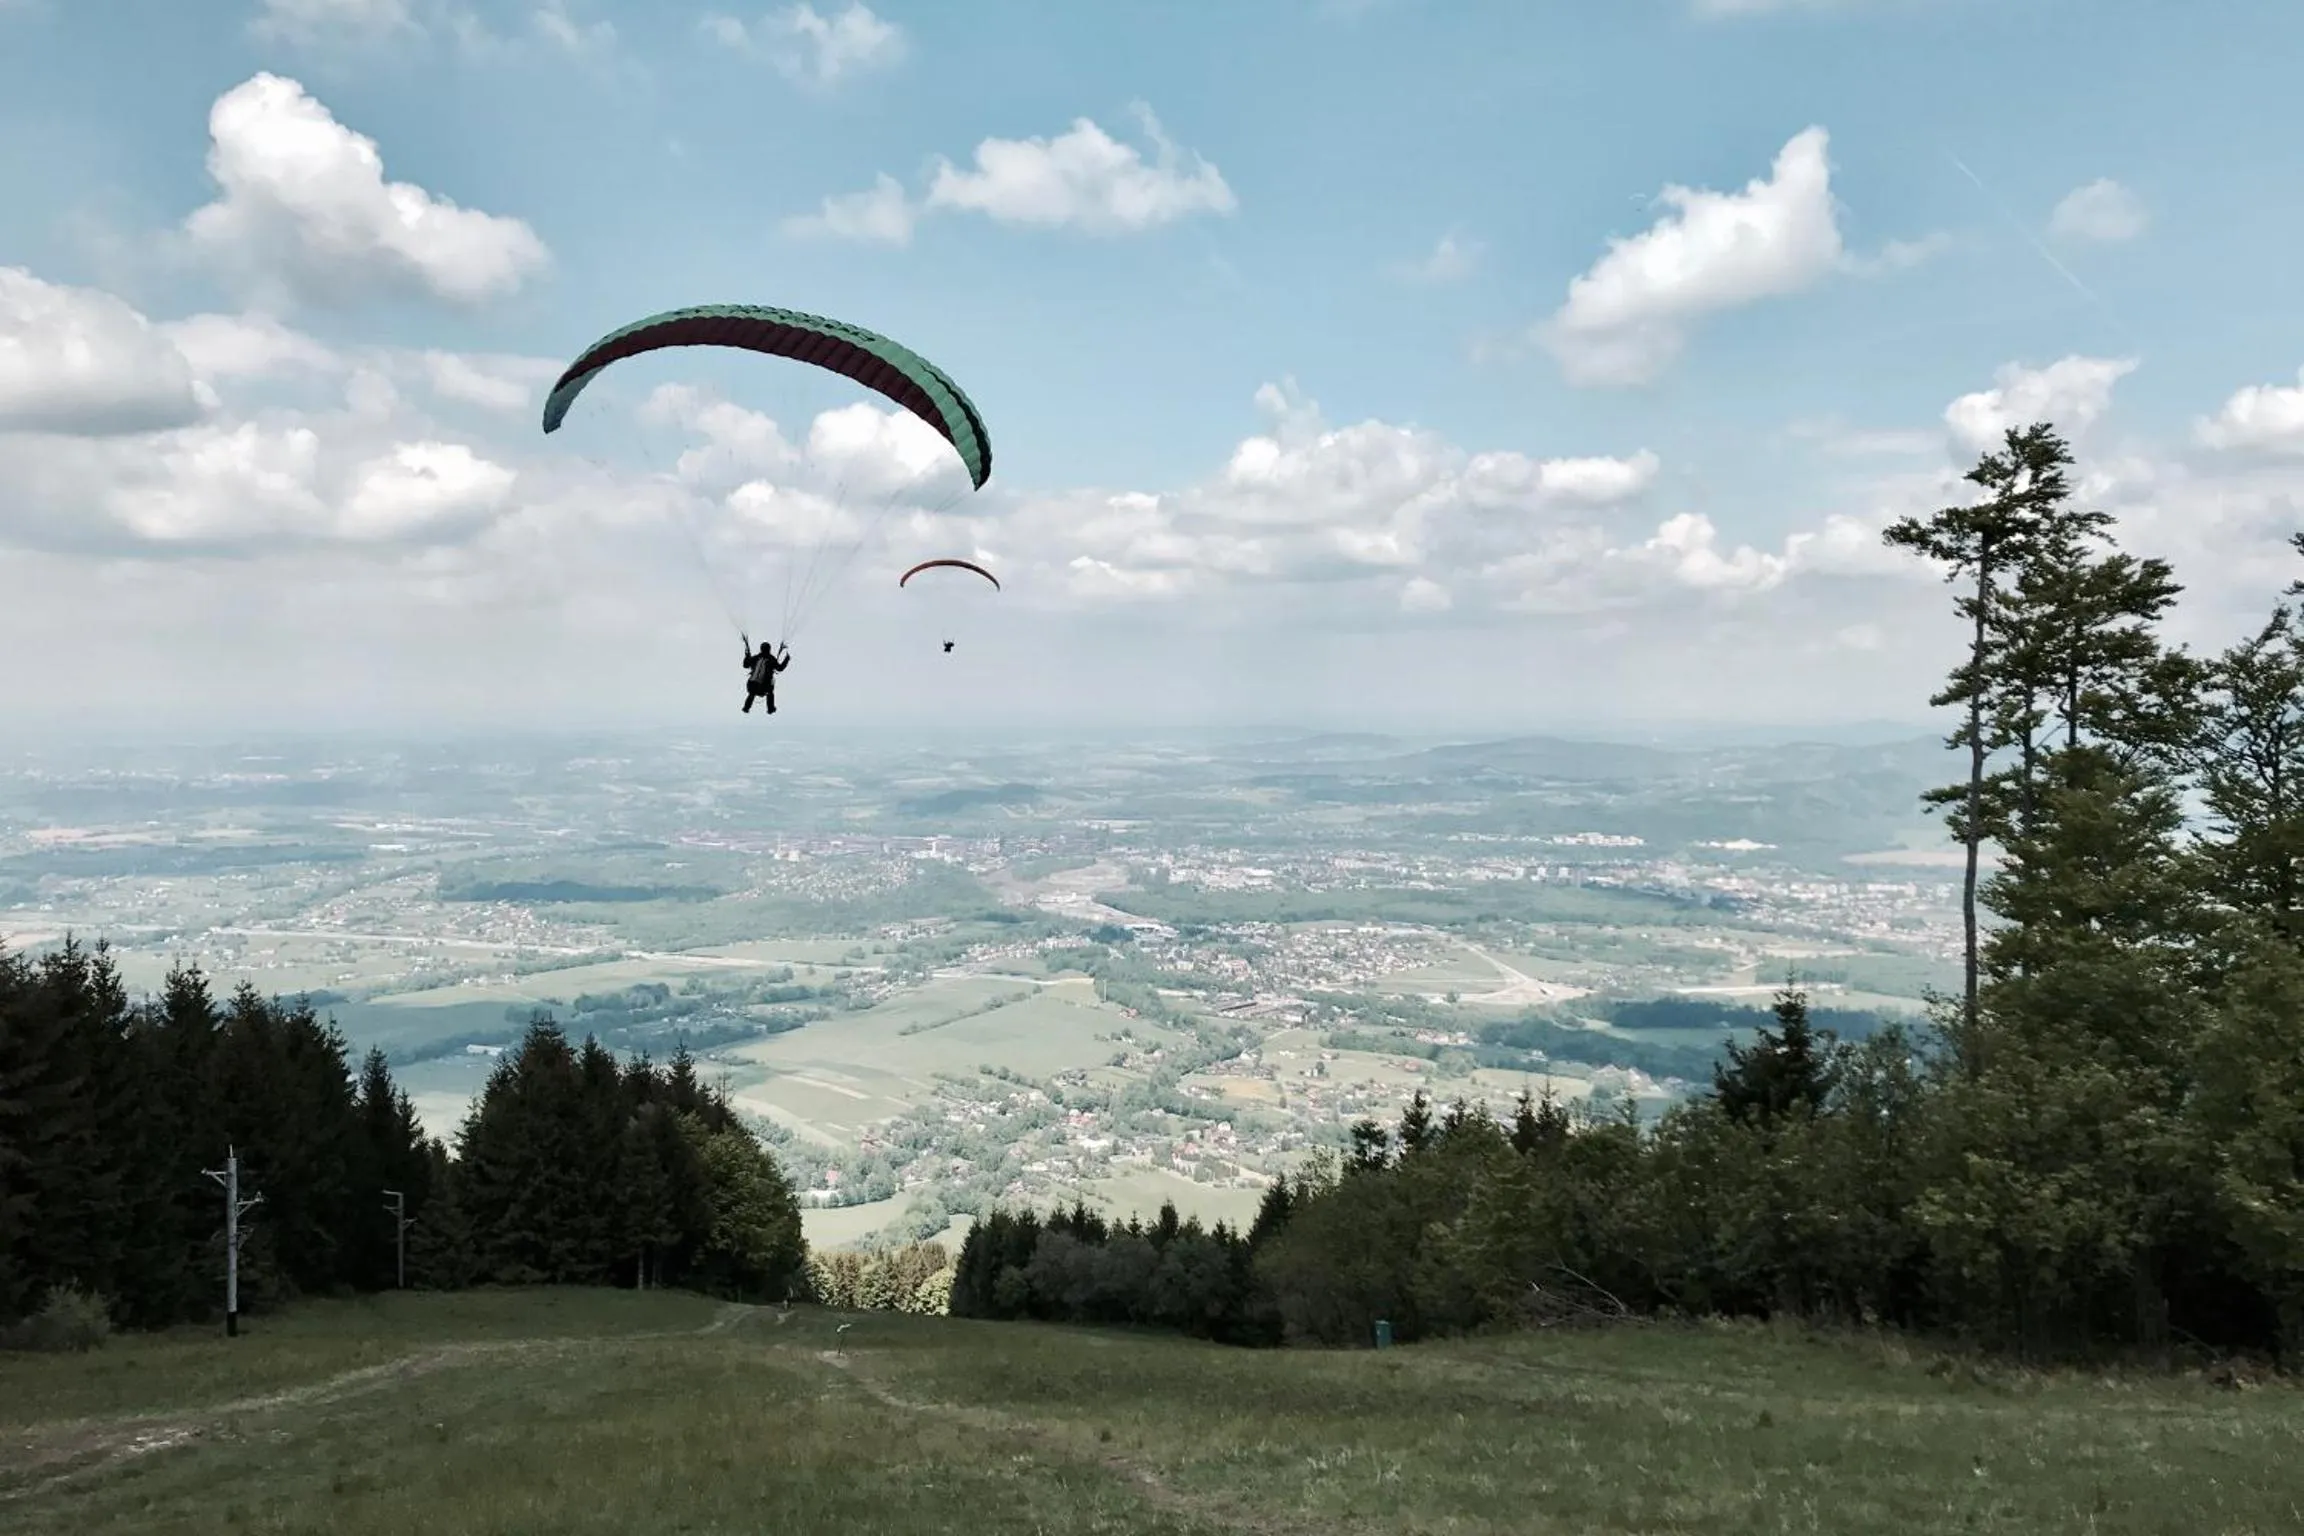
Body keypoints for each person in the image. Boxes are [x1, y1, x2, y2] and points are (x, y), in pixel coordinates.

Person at [741, 634, 790, 714]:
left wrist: (747, 656)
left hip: (753, 685)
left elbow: (745, 665)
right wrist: (786, 659)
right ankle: (770, 708)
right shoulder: (770, 658)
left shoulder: (757, 657)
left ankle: (746, 708)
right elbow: (780, 668)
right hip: (762, 687)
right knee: (769, 693)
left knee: (752, 694)